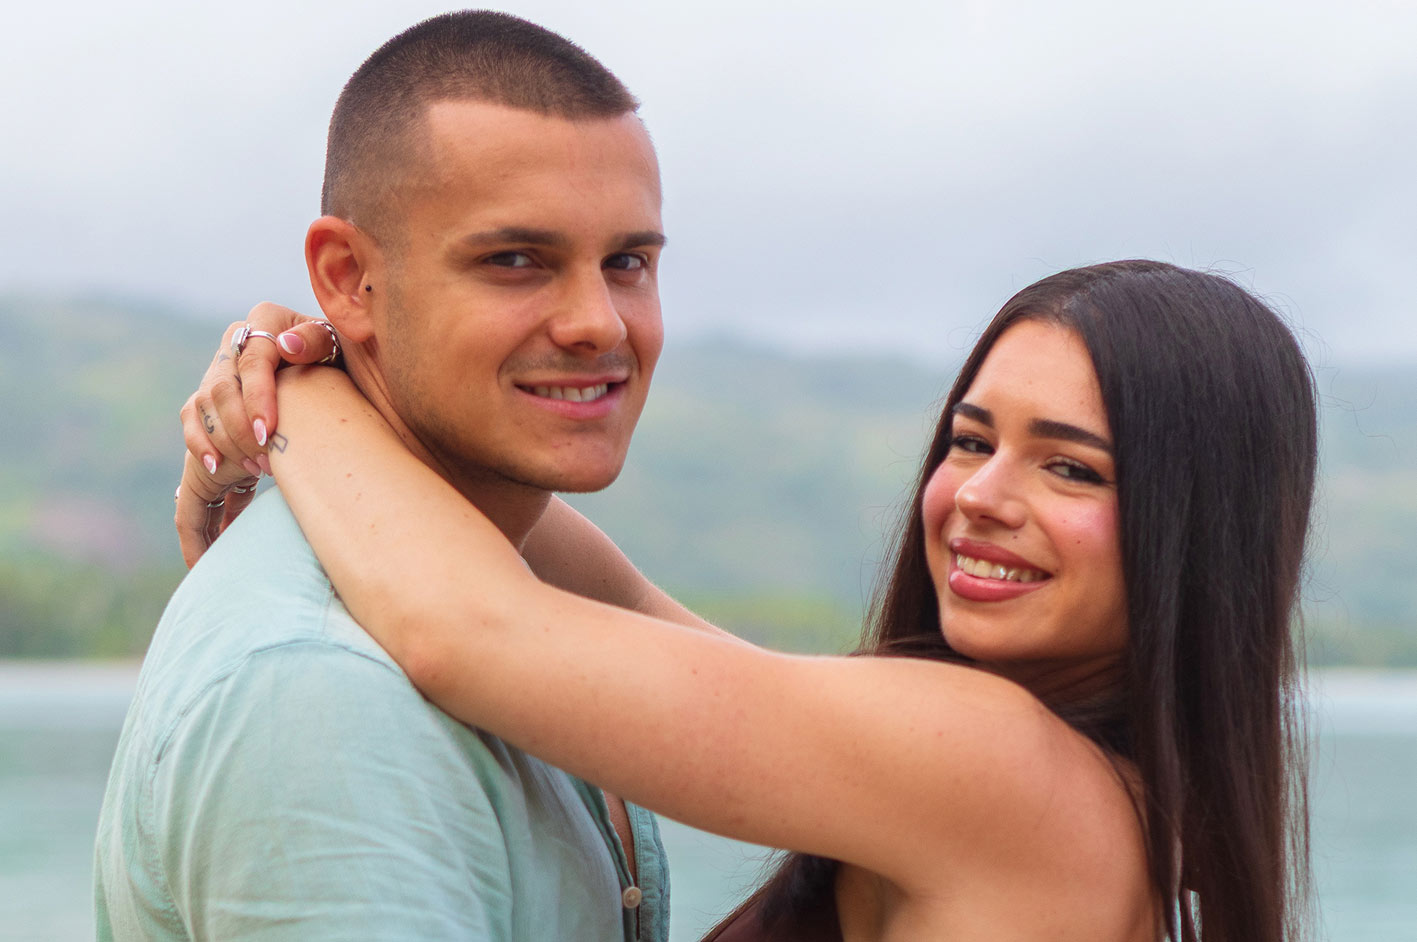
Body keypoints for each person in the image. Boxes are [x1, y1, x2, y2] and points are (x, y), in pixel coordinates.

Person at [181, 259, 1317, 941]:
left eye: (1069, 467)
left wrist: (285, 391)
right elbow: (622, 603)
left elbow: (469, 631)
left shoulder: (1008, 770)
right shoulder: (1098, 794)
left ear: (1199, 530)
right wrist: (367, 382)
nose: (978, 496)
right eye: (971, 441)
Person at [95, 12, 687, 940]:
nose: (599, 323)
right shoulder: (323, 696)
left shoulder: (522, 584)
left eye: (627, 262)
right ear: (346, 277)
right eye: (515, 260)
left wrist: (308, 398)